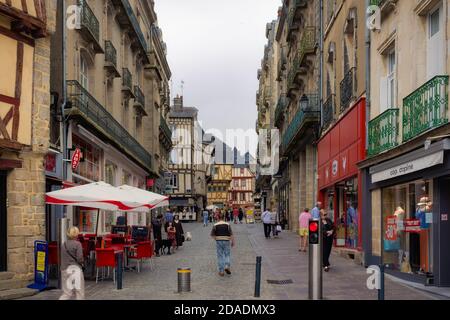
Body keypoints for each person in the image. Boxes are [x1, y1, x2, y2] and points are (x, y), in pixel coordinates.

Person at [59, 227, 85, 300]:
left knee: (67, 293)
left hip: (65, 270)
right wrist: (82, 262)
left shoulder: (63, 244)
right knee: (79, 292)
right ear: (76, 234)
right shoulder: (78, 244)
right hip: (75, 270)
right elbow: (80, 259)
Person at [210, 210, 235, 277]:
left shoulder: (215, 225)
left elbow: (212, 235)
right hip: (227, 240)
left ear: (218, 218)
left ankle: (221, 271)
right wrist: (233, 241)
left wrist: (216, 239)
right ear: (224, 218)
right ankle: (227, 266)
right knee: (227, 254)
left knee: (220, 256)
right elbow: (231, 234)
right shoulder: (227, 224)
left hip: (219, 241)